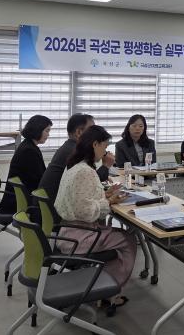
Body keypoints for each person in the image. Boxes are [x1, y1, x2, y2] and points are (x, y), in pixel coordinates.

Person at [54, 125, 136, 308]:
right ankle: (108, 292)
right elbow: (85, 212)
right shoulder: (86, 171)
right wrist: (110, 201)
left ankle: (103, 285)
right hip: (79, 237)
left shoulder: (74, 166)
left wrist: (105, 195)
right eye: (104, 146)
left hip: (67, 232)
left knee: (119, 238)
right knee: (128, 240)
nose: (105, 152)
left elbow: (81, 199)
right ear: (95, 144)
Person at [39, 113, 115, 202]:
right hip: (54, 204)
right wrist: (106, 166)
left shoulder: (70, 146)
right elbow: (89, 180)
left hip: (51, 201)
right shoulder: (74, 151)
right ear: (79, 132)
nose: (96, 134)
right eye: (91, 130)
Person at [0, 115, 53, 214]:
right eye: (47, 131)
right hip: (21, 202)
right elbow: (39, 180)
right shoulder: (29, 151)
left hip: (19, 198)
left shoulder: (28, 145)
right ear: (37, 130)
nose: (48, 135)